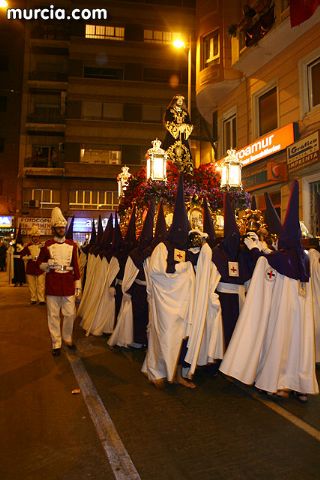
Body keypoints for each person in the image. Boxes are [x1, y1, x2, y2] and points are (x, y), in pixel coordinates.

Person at [220, 180, 319, 402]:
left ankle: (279, 384)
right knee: (299, 347)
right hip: (301, 313)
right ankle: (300, 386)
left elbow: (266, 267)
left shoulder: (280, 258)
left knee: (281, 344)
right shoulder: (305, 258)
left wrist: (257, 251)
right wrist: (263, 252)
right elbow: (271, 261)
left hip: (283, 312)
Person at [37, 207, 81, 356]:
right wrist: (46, 265)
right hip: (53, 283)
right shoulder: (47, 245)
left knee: (70, 314)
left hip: (68, 283)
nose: (61, 229)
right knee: (53, 315)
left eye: (63, 227)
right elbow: (39, 263)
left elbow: (76, 266)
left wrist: (78, 286)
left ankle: (67, 338)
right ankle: (56, 343)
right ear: (54, 228)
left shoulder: (72, 245)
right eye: (59, 228)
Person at [162, 94, 193, 175]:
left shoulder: (185, 113)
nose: (180, 101)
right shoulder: (170, 111)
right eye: (178, 100)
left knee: (185, 154)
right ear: (175, 101)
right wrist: (176, 127)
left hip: (182, 135)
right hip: (173, 135)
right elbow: (167, 121)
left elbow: (189, 124)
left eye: (181, 100)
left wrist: (184, 126)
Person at [20, 225, 46, 304]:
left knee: (41, 285)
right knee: (32, 285)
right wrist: (29, 257)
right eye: (34, 237)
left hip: (40, 268)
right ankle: (33, 299)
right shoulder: (28, 246)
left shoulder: (43, 246)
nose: (35, 238)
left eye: (37, 236)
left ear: (39, 237)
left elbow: (46, 256)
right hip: (30, 268)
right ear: (31, 237)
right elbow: (22, 256)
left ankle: (41, 299)